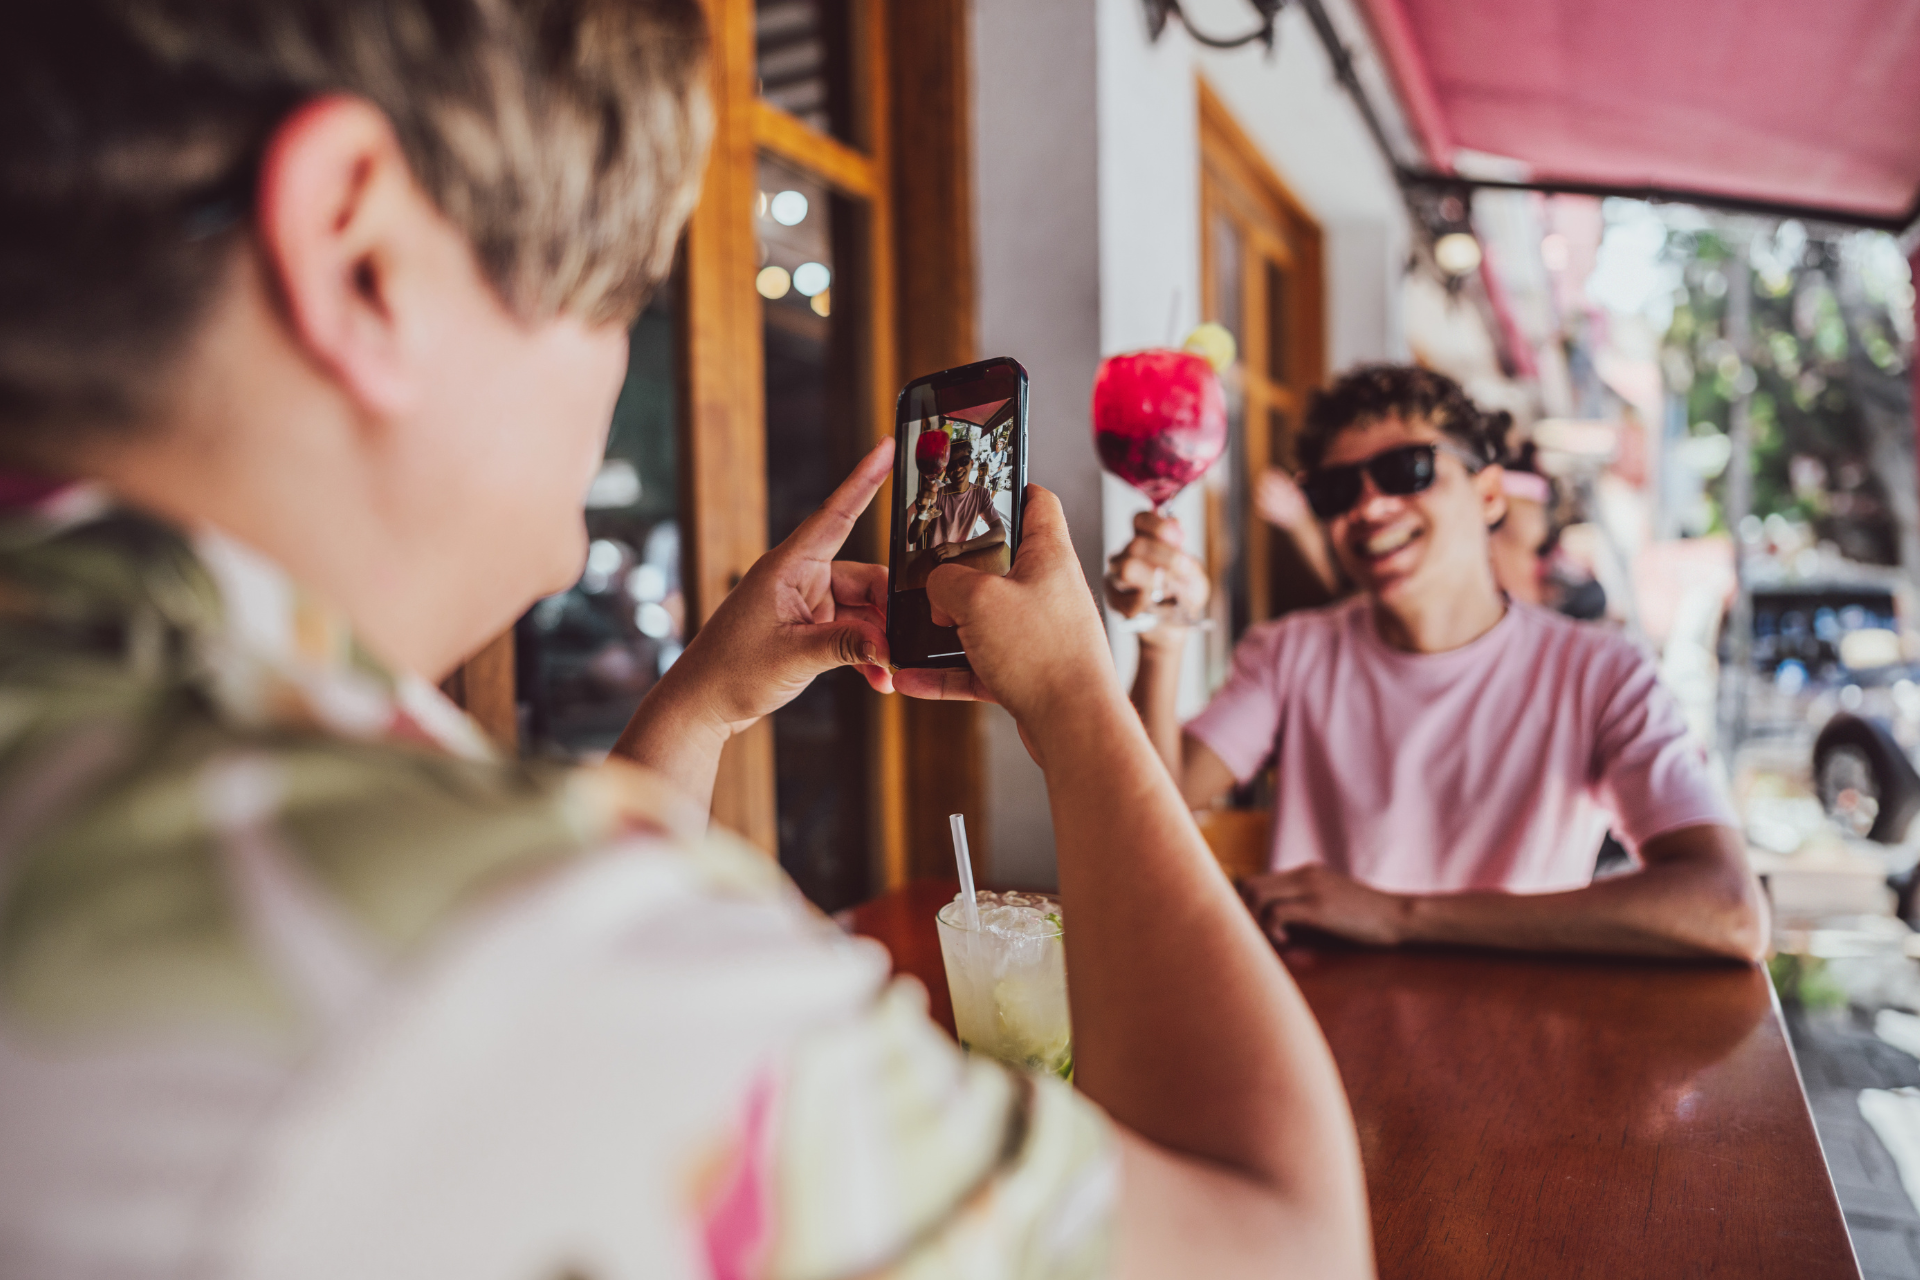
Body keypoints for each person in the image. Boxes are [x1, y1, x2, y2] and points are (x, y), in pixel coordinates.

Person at [0, 3, 1372, 1277]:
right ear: (363, 259)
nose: (617, 370)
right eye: (619, 297)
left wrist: (701, 704)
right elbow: (1285, 1247)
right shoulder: (505, 942)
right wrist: (1073, 697)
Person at [1107, 365, 1766, 961]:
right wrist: (1161, 640)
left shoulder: (1601, 675)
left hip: (1517, 1033)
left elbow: (1727, 908)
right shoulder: (1290, 654)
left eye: (1408, 471)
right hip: (1313, 1035)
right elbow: (1144, 819)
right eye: (1337, 490)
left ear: (1488, 494)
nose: (1369, 506)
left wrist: (1398, 917)